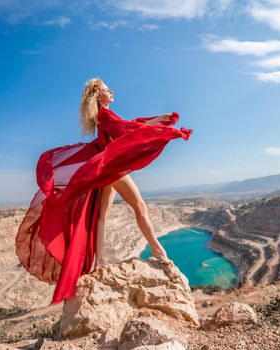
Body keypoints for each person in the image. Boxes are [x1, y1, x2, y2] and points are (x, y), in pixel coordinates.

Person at [15, 77, 192, 304]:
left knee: (102, 216)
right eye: (108, 90)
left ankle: (99, 261)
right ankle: (157, 249)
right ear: (98, 96)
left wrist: (159, 120)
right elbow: (129, 128)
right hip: (110, 169)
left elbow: (131, 123)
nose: (112, 91)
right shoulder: (105, 115)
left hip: (105, 169)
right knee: (140, 207)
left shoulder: (105, 115)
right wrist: (166, 130)